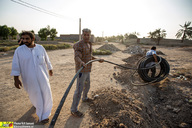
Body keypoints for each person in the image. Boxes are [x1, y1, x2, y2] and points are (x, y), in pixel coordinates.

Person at [11, 31, 53, 123]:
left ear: (33, 39)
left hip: (43, 77)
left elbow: (47, 58)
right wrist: (16, 79)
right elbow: (15, 65)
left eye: (27, 38)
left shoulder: (40, 48)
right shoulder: (19, 50)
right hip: (29, 78)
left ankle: (44, 115)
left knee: (46, 93)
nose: (24, 40)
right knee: (35, 95)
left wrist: (50, 68)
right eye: (23, 38)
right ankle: (38, 107)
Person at [71, 28, 104, 117]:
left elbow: (89, 56)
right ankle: (74, 110)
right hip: (81, 71)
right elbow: (77, 56)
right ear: (82, 35)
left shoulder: (89, 44)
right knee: (79, 90)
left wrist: (97, 59)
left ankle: (85, 98)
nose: (86, 36)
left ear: (90, 35)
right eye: (84, 35)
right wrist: (81, 62)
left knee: (87, 85)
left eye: (88, 35)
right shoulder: (78, 45)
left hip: (88, 70)